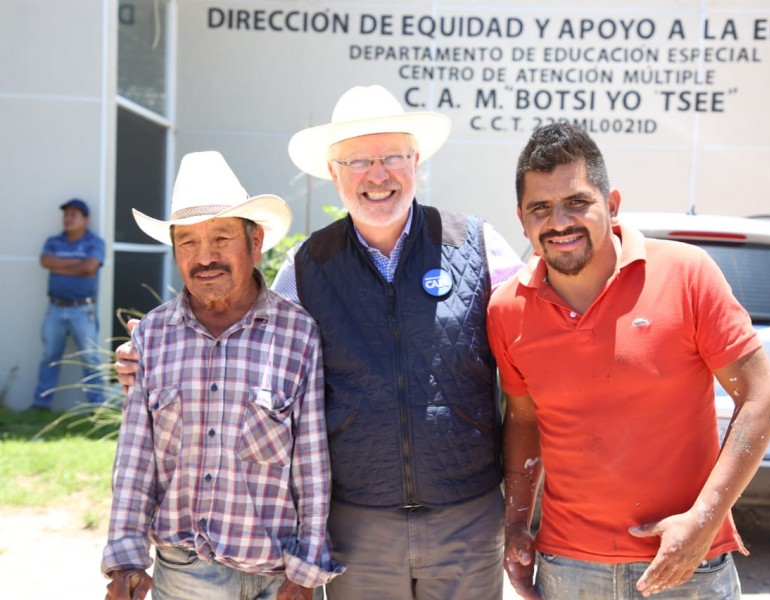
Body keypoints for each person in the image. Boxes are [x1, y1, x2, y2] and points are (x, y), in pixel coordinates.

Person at [116, 85, 523, 599]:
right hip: (357, 526)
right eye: (356, 161)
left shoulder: (477, 244)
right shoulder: (306, 267)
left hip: (467, 518)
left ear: (416, 160)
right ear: (334, 174)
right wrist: (149, 355)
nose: (376, 175)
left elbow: (539, 340)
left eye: (391, 156)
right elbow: (246, 342)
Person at [487, 122, 770, 599]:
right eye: (541, 208)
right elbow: (524, 419)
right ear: (522, 220)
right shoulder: (507, 309)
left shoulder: (687, 274)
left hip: (689, 562)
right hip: (568, 567)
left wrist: (703, 522)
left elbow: (762, 397)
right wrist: (518, 524)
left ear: (613, 204)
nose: (559, 221)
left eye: (577, 202)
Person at [101, 151, 343, 600]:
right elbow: (135, 460)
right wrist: (125, 558)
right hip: (186, 570)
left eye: (221, 237)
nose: (204, 256)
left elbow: (312, 462)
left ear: (256, 243)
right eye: (188, 242)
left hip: (278, 569)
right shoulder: (154, 334)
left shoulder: (298, 333)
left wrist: (306, 571)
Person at [33, 198, 106, 410]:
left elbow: (90, 267)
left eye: (74, 215)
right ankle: (40, 404)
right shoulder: (54, 242)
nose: (68, 218)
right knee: (49, 357)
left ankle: (98, 407)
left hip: (83, 310)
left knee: (90, 358)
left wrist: (61, 265)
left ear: (85, 219)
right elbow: (46, 261)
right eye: (66, 214)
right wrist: (79, 264)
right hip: (55, 309)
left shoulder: (95, 242)